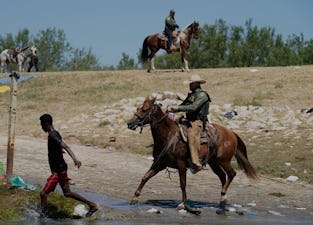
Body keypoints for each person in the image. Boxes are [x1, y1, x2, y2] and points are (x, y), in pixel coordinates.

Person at [39, 114, 98, 217]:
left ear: (46, 123)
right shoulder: (55, 133)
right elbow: (59, 147)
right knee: (67, 193)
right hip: (60, 168)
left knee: (43, 194)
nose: (41, 127)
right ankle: (92, 205)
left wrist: (75, 159)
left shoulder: (53, 135)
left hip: (58, 171)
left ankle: (41, 216)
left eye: (42, 124)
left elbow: (65, 146)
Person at [168, 74, 211, 174]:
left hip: (197, 122)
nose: (189, 85)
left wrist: (178, 108)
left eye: (191, 84)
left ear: (196, 84)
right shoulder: (192, 95)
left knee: (191, 134)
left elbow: (193, 107)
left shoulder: (202, 95)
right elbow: (184, 105)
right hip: (188, 119)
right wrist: (172, 109)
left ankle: (196, 163)